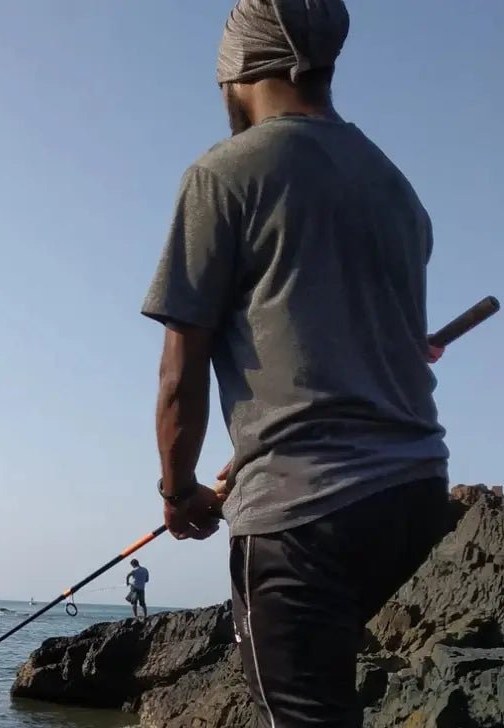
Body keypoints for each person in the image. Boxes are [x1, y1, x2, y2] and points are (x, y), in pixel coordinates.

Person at [140, 1, 450, 725]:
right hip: (413, 496)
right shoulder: (392, 187)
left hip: (303, 514)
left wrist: (178, 488)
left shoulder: (222, 174)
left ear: (242, 67)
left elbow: (177, 377)